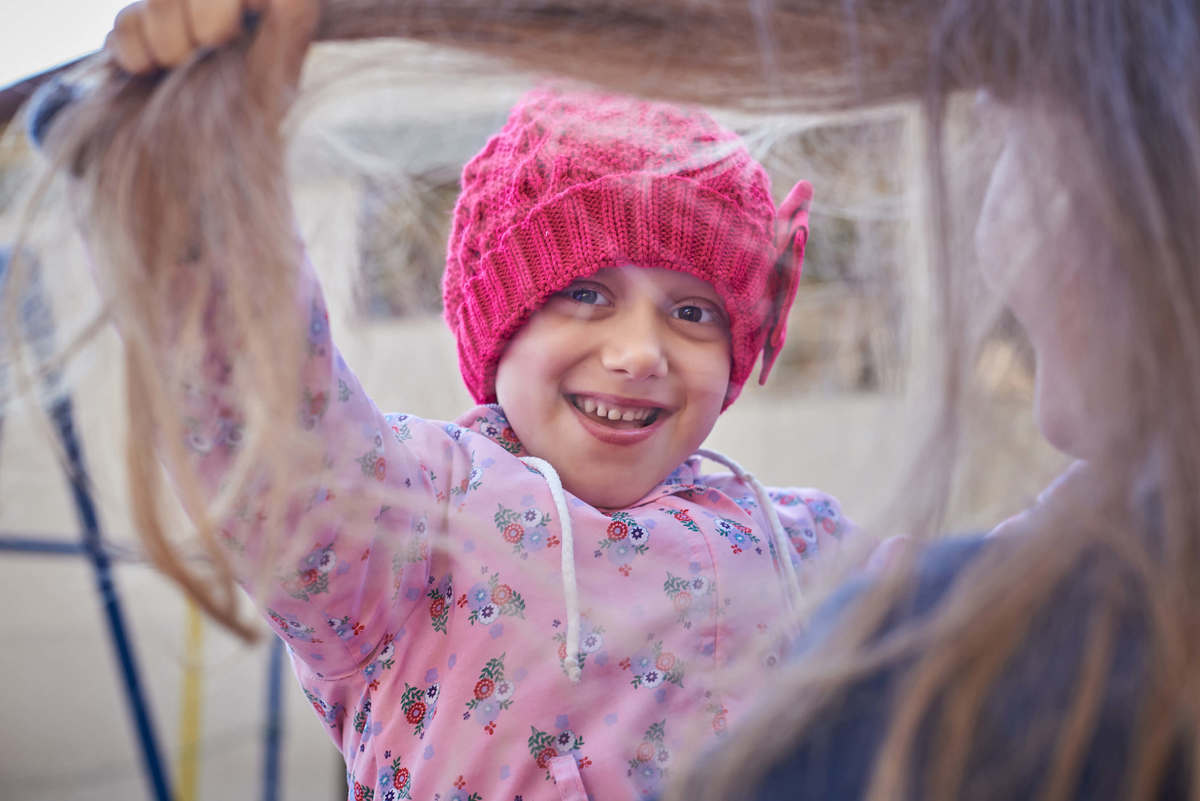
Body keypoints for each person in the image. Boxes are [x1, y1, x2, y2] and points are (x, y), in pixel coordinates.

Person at [58, 2, 853, 800]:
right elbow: (258, 404)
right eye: (585, 291)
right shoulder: (412, 518)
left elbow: (972, 636)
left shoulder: (805, 546)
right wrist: (191, 148)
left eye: (693, 312)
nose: (639, 353)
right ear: (499, 323)